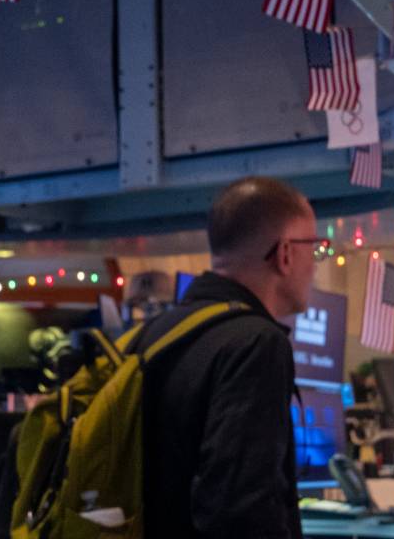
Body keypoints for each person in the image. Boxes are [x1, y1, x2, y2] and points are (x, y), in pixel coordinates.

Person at [136, 176, 322, 538]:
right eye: (314, 248)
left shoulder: (157, 333)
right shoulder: (256, 344)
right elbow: (240, 512)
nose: (315, 264)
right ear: (285, 254)